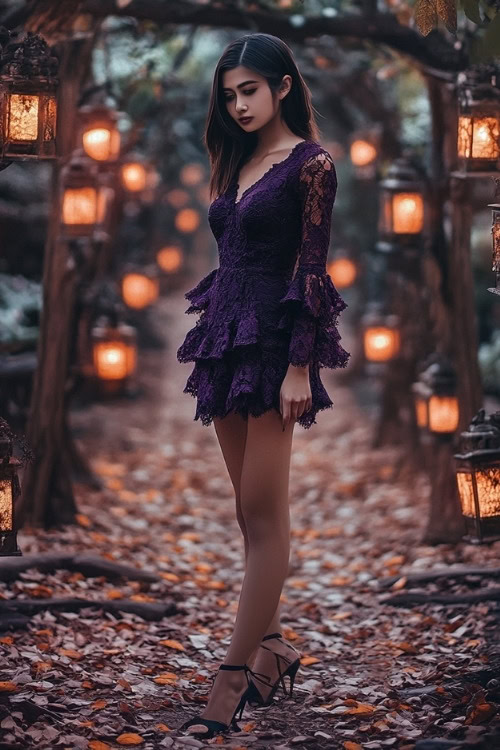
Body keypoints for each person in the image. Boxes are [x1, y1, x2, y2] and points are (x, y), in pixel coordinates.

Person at [176, 32, 350, 739]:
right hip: (225, 334)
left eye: (249, 89)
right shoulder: (238, 159)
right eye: (229, 95)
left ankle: (232, 678)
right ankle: (274, 648)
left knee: (263, 510)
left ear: (282, 86)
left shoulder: (313, 165)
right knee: (246, 515)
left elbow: (312, 268)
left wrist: (301, 367)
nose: (239, 104)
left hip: (276, 342)